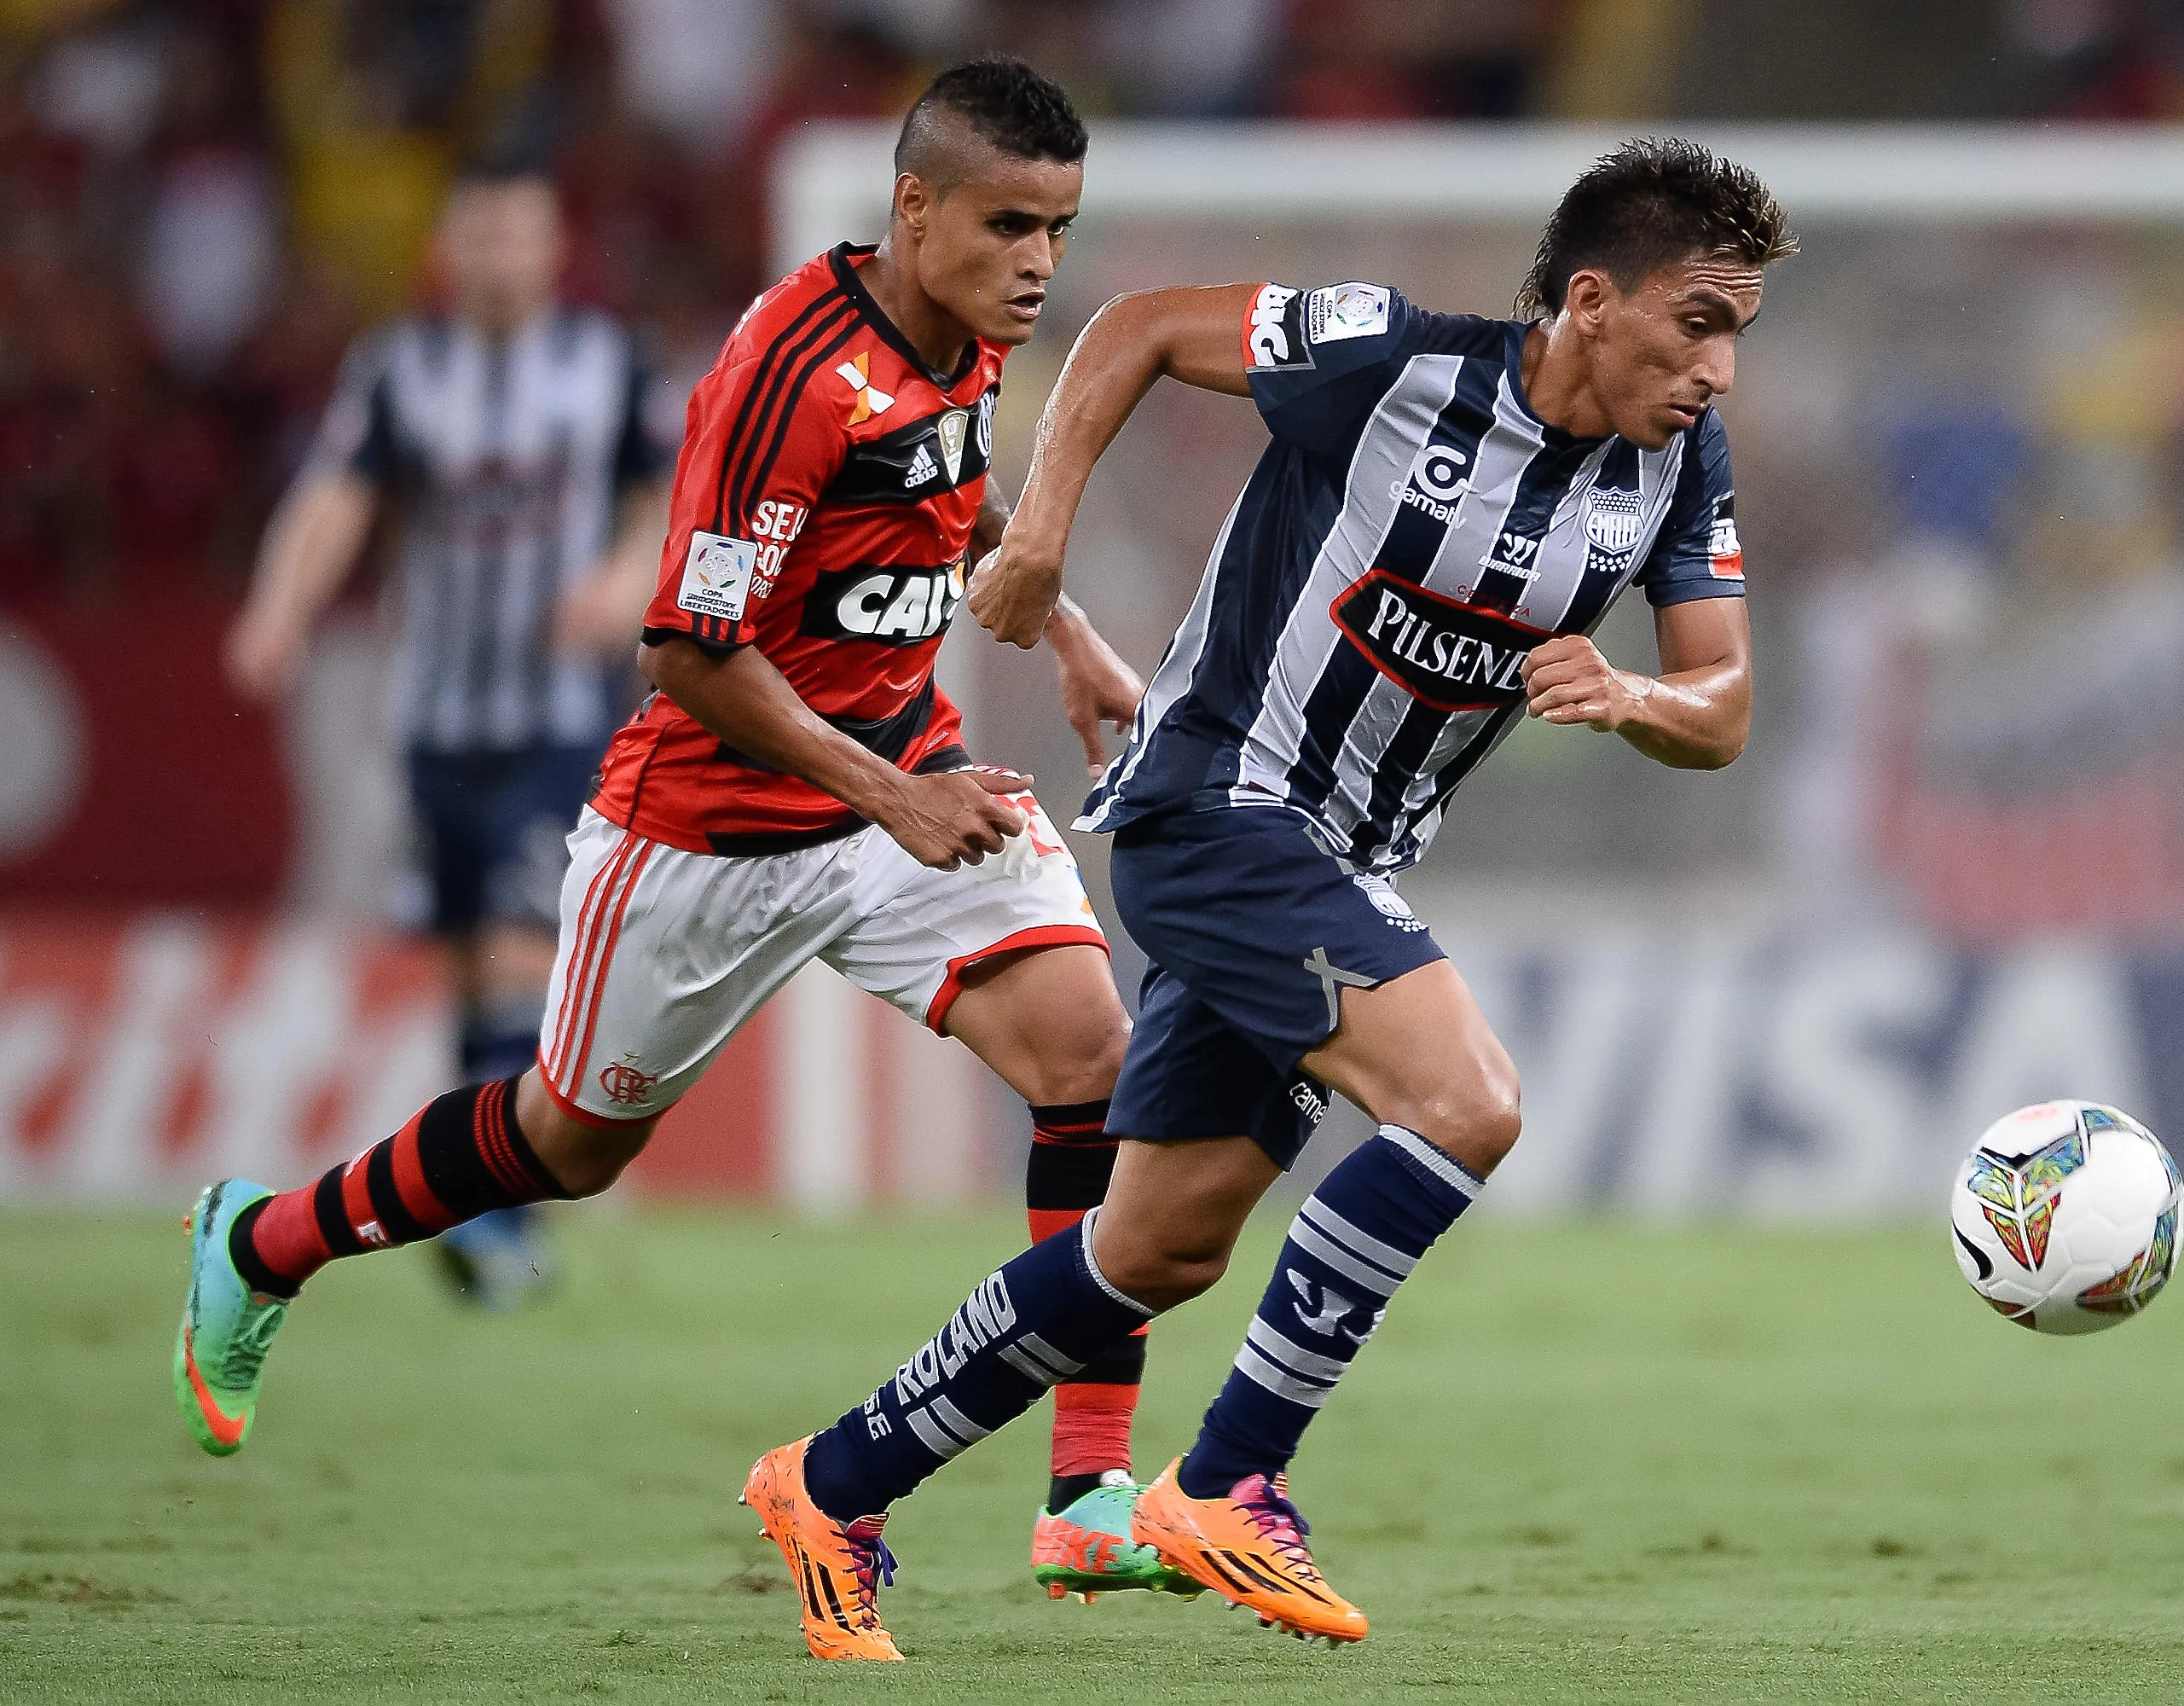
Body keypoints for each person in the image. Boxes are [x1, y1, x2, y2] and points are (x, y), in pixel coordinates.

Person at [173, 60, 1184, 1655]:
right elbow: (687, 651)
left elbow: (952, 494)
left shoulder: (973, 330)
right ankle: (261, 1240)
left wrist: (1067, 633)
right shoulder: (788, 368)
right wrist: (888, 795)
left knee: (1094, 1058)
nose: (1039, 263)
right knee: (567, 1145)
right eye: (1009, 226)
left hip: (904, 774)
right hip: (703, 828)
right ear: (914, 207)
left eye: (1060, 228)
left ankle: (1088, 1496)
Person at [767, 137, 1794, 1656]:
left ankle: (831, 1483)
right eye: (1699, 322)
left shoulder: (1670, 472)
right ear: (1592, 300)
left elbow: (1725, 708)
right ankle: (1233, 1479)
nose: (1720, 366)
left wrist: (1635, 693)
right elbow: (1134, 330)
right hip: (1217, 809)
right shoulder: (1391, 361)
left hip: (1340, 868)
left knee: (1152, 1252)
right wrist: (1038, 535)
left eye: (1740, 334)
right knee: (1468, 1103)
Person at [224, 164, 671, 1308]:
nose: (496, 257)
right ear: (449, 246)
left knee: (526, 948)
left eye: (517, 235)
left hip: (559, 719)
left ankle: (496, 1224)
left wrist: (623, 578)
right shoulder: (399, 369)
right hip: (433, 719)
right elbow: (339, 497)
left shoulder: (604, 366)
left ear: (551, 243)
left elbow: (663, 493)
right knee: (473, 968)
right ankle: (485, 1211)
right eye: (477, 235)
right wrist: (280, 606)